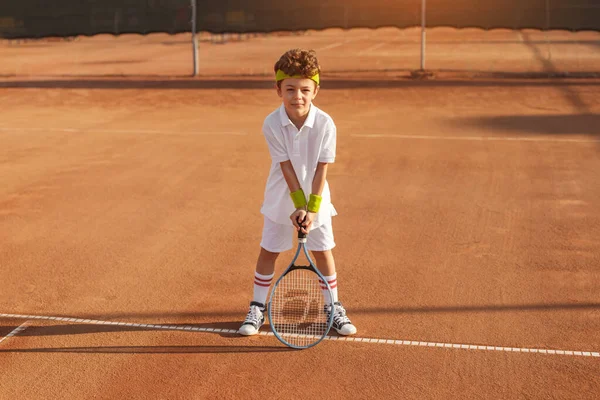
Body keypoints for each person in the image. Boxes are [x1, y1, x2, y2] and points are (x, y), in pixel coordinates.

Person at [238, 48, 357, 337]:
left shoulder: (326, 124)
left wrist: (312, 209)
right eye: (290, 89)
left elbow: (321, 169)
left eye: (305, 89)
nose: (297, 96)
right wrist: (298, 204)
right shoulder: (271, 123)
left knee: (323, 252)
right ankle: (257, 307)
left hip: (318, 198)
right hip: (282, 198)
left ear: (316, 90)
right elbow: (287, 167)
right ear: (278, 89)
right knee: (269, 251)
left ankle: (333, 307)